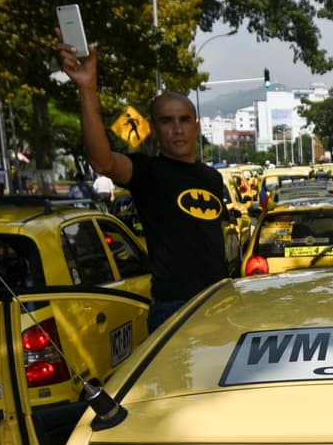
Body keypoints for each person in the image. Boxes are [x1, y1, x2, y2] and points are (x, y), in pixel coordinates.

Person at [58, 33, 232, 329]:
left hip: (219, 303)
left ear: (196, 126)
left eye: (184, 120)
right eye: (166, 121)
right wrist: (87, 89)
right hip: (174, 311)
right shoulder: (148, 172)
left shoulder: (212, 178)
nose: (177, 129)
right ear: (154, 129)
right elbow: (103, 161)